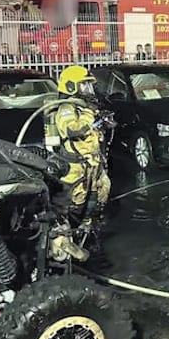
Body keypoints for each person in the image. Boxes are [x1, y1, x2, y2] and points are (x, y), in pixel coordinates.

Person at [45, 65, 115, 228]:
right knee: (76, 203)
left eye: (88, 85)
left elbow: (91, 130)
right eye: (84, 85)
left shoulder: (82, 107)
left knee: (101, 190)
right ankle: (71, 231)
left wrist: (102, 121)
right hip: (76, 166)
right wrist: (89, 112)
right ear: (71, 86)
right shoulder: (67, 108)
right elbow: (74, 130)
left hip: (92, 162)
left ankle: (90, 226)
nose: (88, 89)